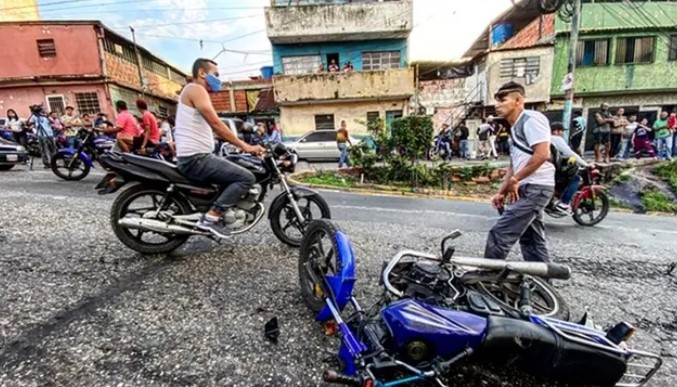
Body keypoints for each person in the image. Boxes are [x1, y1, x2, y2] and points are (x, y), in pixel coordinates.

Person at [174, 58, 264, 236]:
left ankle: (216, 210)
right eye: (215, 75)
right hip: (196, 159)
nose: (218, 80)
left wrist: (236, 143)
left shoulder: (194, 91)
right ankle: (211, 217)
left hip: (198, 156)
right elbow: (216, 124)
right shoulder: (196, 89)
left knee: (232, 170)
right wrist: (246, 146)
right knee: (246, 177)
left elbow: (213, 128)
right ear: (202, 73)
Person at [484, 82, 556, 263]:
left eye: (502, 100)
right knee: (531, 240)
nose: (497, 105)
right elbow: (513, 164)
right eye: (497, 101)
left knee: (500, 233)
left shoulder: (531, 119)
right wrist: (501, 191)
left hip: (537, 186)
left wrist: (516, 179)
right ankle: (542, 283)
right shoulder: (515, 127)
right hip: (528, 186)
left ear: (518, 100)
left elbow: (542, 154)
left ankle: (487, 279)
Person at [550, 122, 590, 213]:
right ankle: (564, 203)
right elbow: (569, 153)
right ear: (555, 131)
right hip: (554, 169)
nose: (563, 133)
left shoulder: (545, 138)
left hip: (548, 167)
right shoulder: (556, 139)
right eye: (561, 131)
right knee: (576, 178)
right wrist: (585, 164)